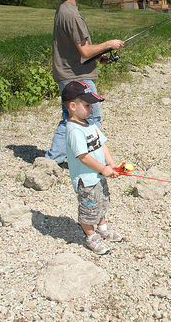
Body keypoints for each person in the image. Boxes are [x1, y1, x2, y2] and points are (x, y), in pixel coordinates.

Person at [45, 0, 124, 165]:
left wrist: (100, 56)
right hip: (76, 76)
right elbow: (85, 51)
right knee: (91, 115)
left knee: (70, 118)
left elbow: (78, 49)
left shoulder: (63, 9)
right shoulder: (72, 14)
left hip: (68, 73)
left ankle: (51, 161)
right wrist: (109, 44)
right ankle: (94, 160)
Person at [62, 80, 124, 255]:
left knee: (102, 202)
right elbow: (83, 156)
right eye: (87, 104)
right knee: (89, 208)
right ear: (73, 106)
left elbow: (102, 144)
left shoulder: (90, 124)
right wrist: (102, 169)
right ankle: (90, 236)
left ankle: (102, 227)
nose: (91, 108)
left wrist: (111, 164)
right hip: (86, 179)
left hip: (98, 176)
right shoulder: (74, 130)